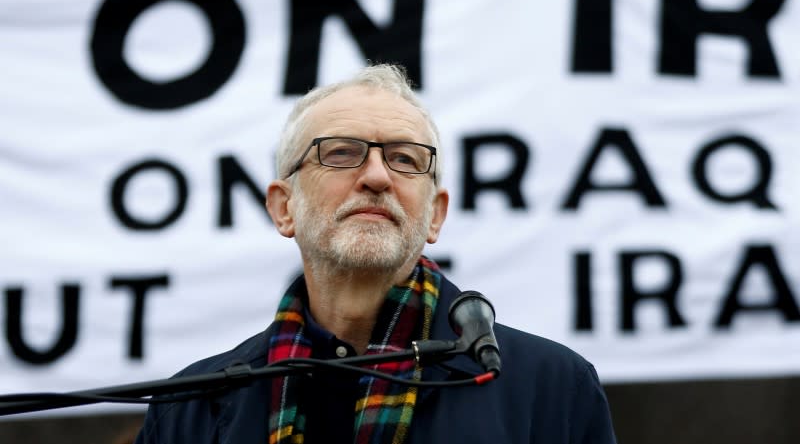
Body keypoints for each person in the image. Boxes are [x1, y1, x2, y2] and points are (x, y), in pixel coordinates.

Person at [135, 64, 617, 443]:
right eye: (342, 153)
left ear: (435, 216)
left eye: (405, 159)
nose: (377, 177)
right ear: (284, 208)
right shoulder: (190, 405)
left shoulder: (552, 387)